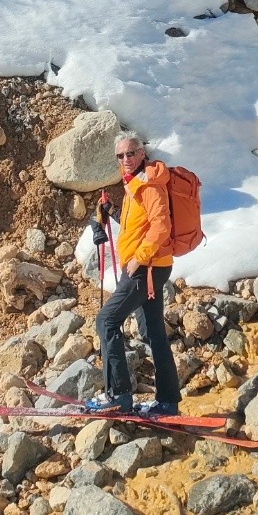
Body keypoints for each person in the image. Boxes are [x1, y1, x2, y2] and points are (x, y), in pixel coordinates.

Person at [87, 129, 181, 417]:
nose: (125, 159)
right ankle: (167, 402)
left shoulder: (151, 184)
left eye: (130, 153)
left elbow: (161, 226)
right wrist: (111, 210)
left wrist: (138, 259)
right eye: (120, 155)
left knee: (106, 321)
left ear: (142, 153)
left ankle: (118, 396)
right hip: (152, 267)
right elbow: (135, 226)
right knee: (152, 333)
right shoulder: (135, 184)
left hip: (146, 269)